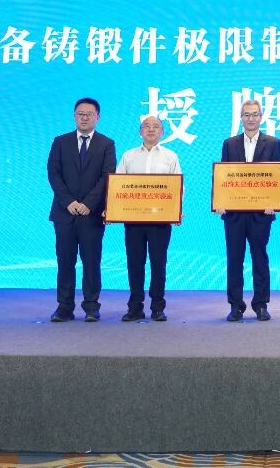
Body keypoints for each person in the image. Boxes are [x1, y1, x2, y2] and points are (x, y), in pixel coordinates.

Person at [45, 98, 116, 323]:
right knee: (65, 262)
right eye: (80, 114)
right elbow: (53, 173)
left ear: (98, 117)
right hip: (64, 212)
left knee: (91, 262)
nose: (84, 118)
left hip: (91, 214)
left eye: (89, 114)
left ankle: (92, 307)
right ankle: (64, 307)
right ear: (74, 116)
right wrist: (69, 202)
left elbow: (108, 176)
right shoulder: (60, 141)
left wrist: (89, 204)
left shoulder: (106, 144)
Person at [217, 99, 280, 322]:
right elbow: (223, 176)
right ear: (241, 118)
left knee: (259, 258)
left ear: (261, 117)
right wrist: (220, 201)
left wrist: (274, 201)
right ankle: (235, 306)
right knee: (234, 259)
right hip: (234, 213)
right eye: (246, 114)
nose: (251, 118)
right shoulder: (229, 143)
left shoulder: (273, 143)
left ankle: (261, 305)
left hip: (261, 213)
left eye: (255, 114)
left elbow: (277, 176)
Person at [115, 115, 180, 322]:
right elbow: (118, 186)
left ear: (162, 132)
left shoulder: (170, 156)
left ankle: (158, 307)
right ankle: (135, 307)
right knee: (135, 264)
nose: (151, 129)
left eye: (156, 126)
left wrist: (176, 210)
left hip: (160, 220)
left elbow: (178, 187)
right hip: (133, 220)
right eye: (146, 126)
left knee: (158, 264)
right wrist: (115, 209)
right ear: (140, 131)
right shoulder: (128, 156)